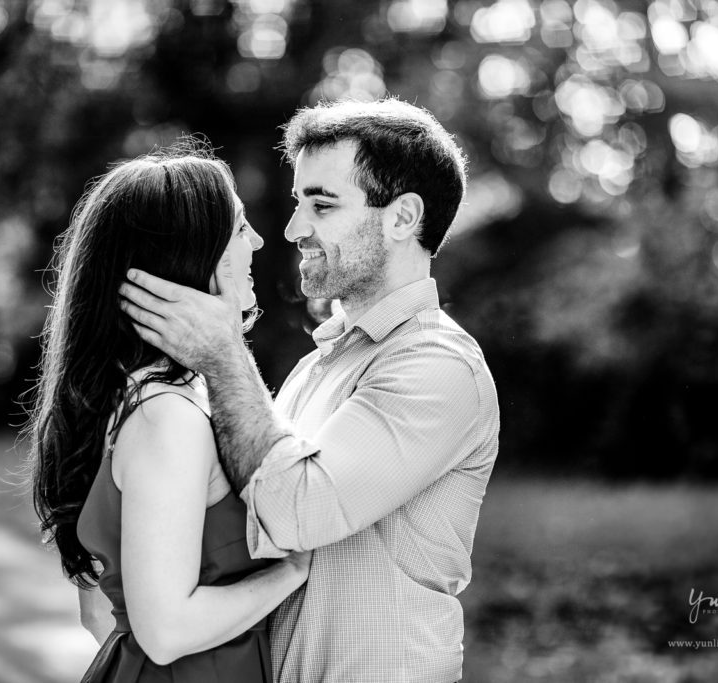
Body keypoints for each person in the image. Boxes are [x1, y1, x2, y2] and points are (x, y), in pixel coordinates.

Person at [118, 99, 500, 683]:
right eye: (299, 203)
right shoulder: (314, 369)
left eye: (321, 205)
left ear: (403, 218)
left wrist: (221, 354)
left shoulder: (437, 367)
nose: (295, 229)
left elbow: (296, 512)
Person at [26, 145, 311, 683]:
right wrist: (294, 571)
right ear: (191, 256)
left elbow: (98, 614)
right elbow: (164, 631)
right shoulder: (169, 417)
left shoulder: (132, 398)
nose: (257, 241)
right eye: (240, 227)